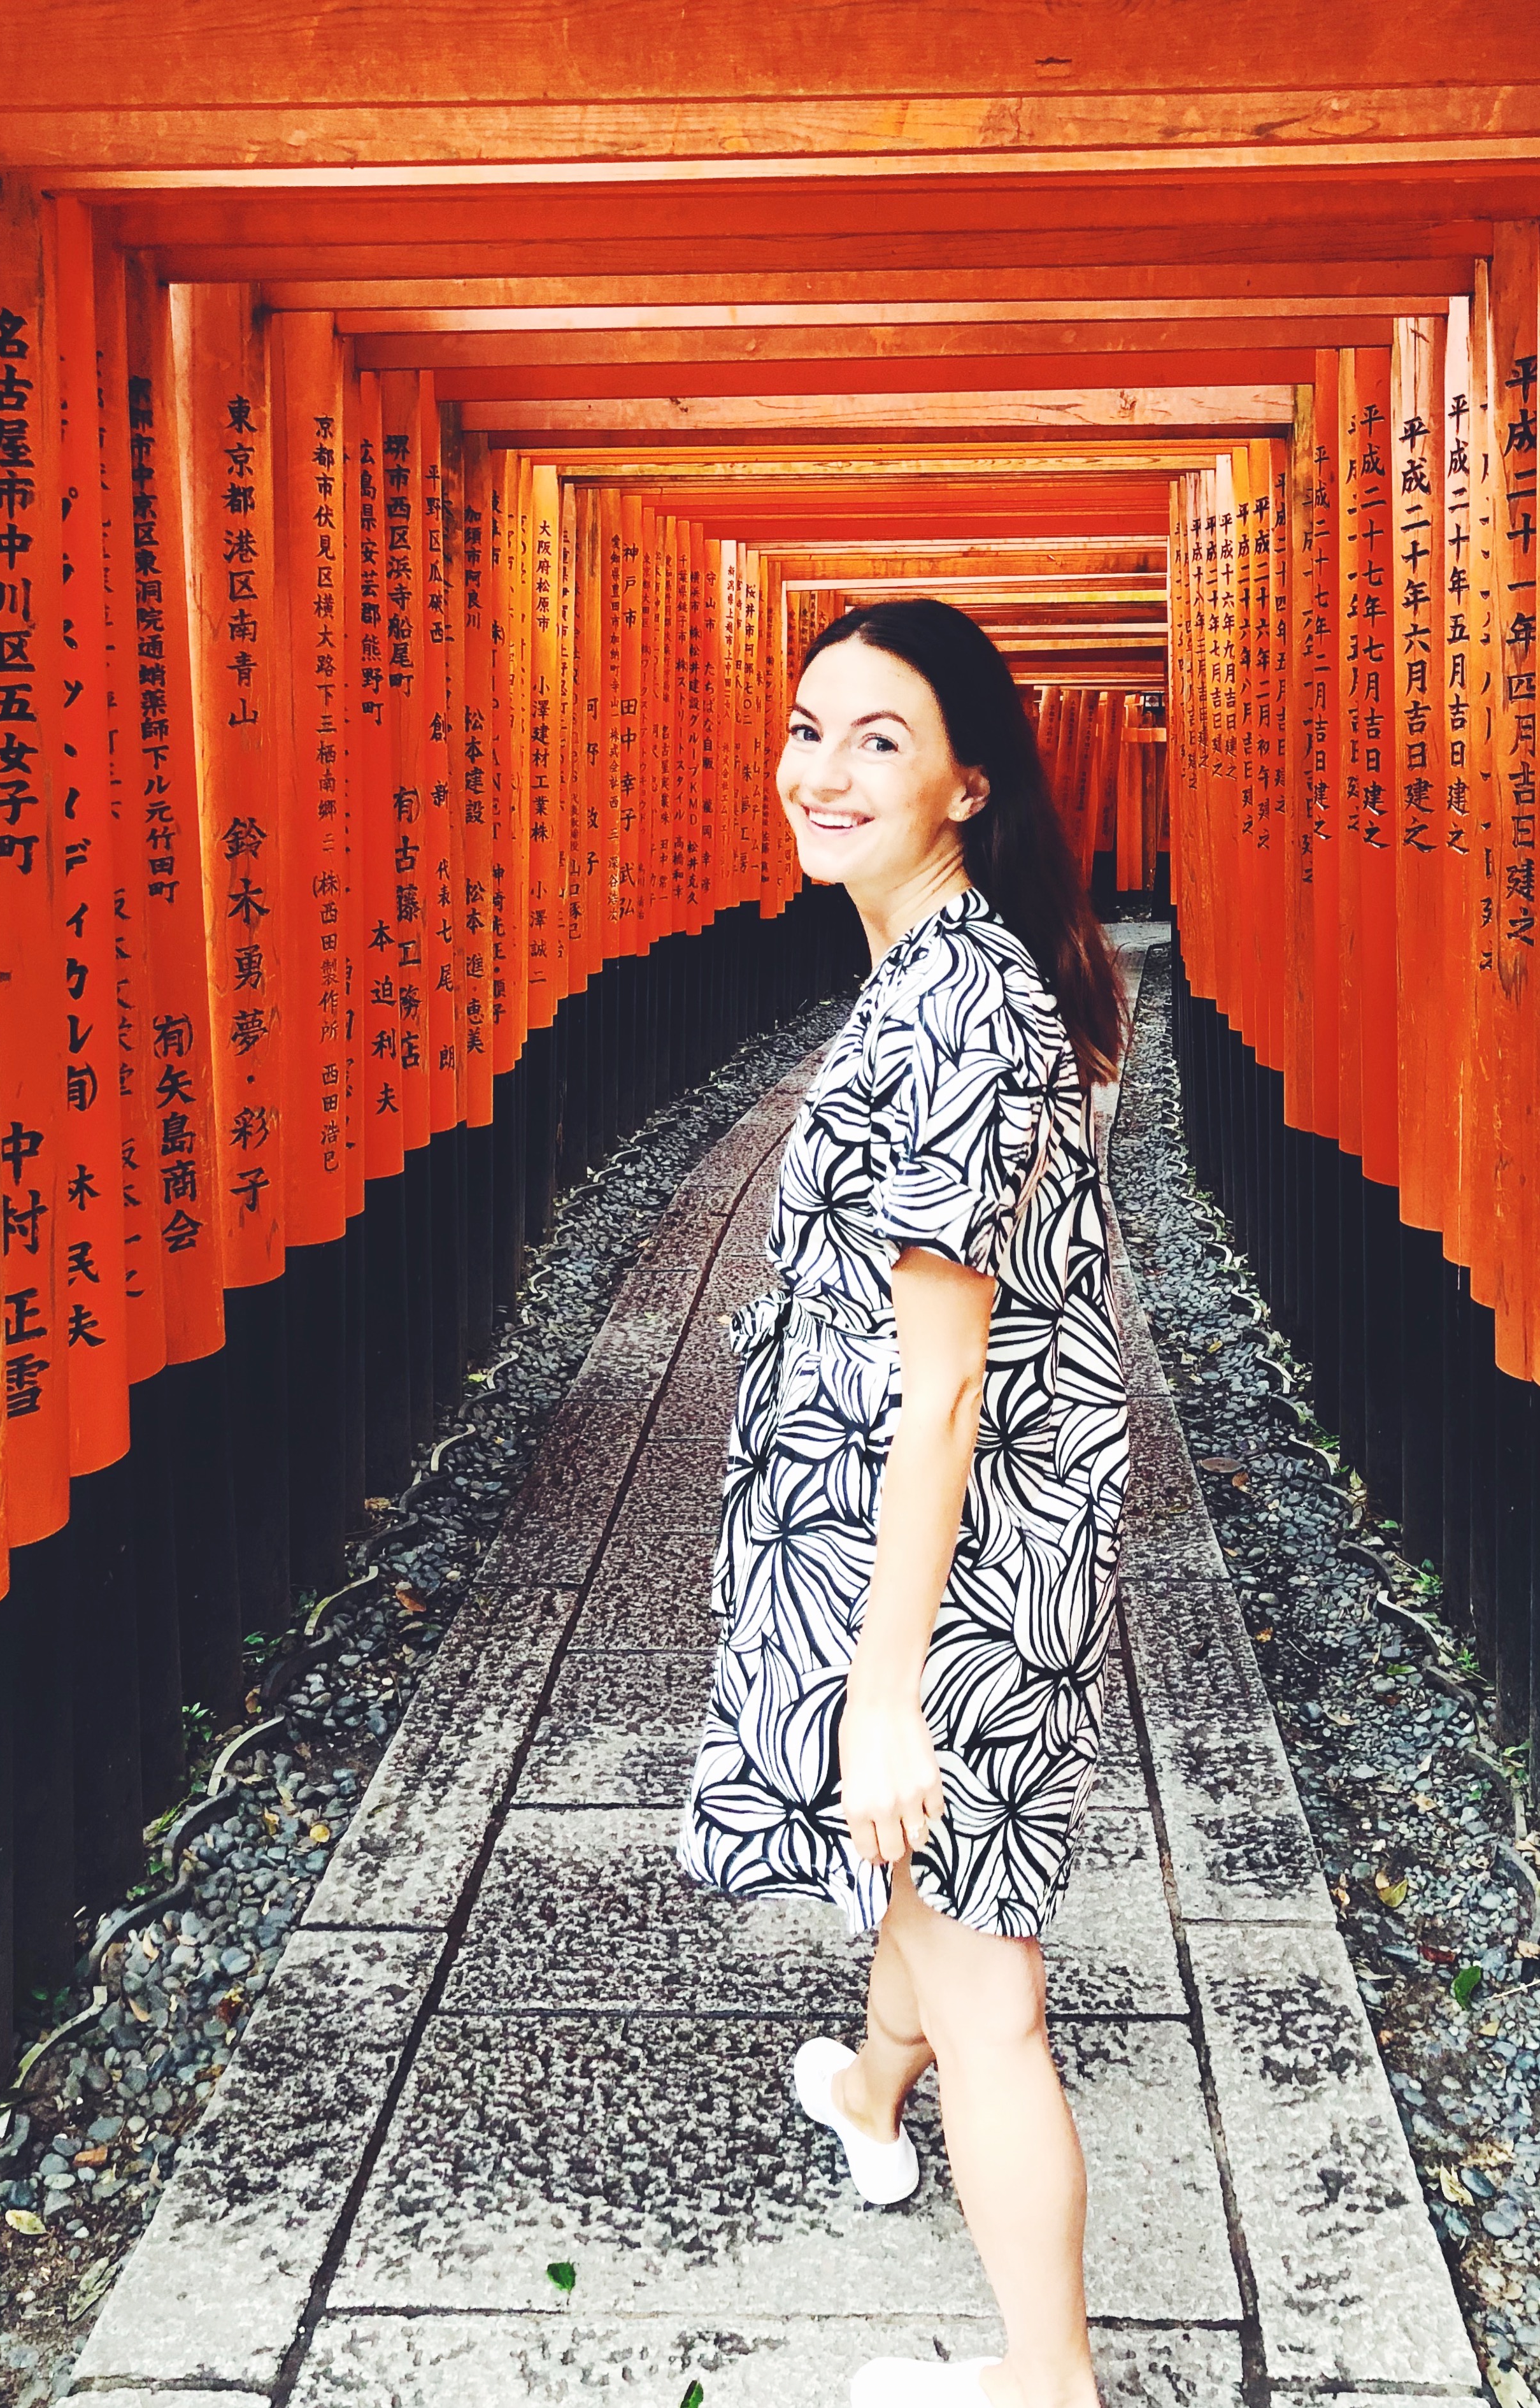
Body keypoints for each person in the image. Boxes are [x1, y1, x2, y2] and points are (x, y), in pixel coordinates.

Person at [676, 599, 1130, 2408]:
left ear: (967, 780)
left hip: (940, 1567)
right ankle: (873, 2093)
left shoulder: (962, 1009)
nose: (826, 767)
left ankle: (1050, 2380)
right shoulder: (948, 969)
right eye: (809, 726)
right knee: (923, 1891)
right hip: (941, 1539)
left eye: (881, 736)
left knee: (994, 1997)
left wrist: (883, 1691)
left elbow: (941, 1382)